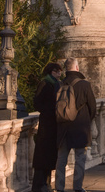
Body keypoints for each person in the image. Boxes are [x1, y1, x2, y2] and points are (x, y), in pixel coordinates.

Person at [55, 57, 97, 192]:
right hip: (80, 128)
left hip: (63, 127)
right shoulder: (84, 85)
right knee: (80, 159)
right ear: (77, 68)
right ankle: (77, 188)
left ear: (66, 68)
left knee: (61, 160)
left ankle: (59, 188)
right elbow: (93, 107)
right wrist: (86, 121)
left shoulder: (59, 84)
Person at [32, 62, 62, 192]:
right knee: (42, 156)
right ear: (52, 72)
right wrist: (50, 110)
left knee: (49, 156)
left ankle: (46, 183)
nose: (60, 73)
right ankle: (39, 185)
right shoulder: (44, 83)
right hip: (46, 125)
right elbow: (37, 103)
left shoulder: (56, 84)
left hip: (53, 125)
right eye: (57, 71)